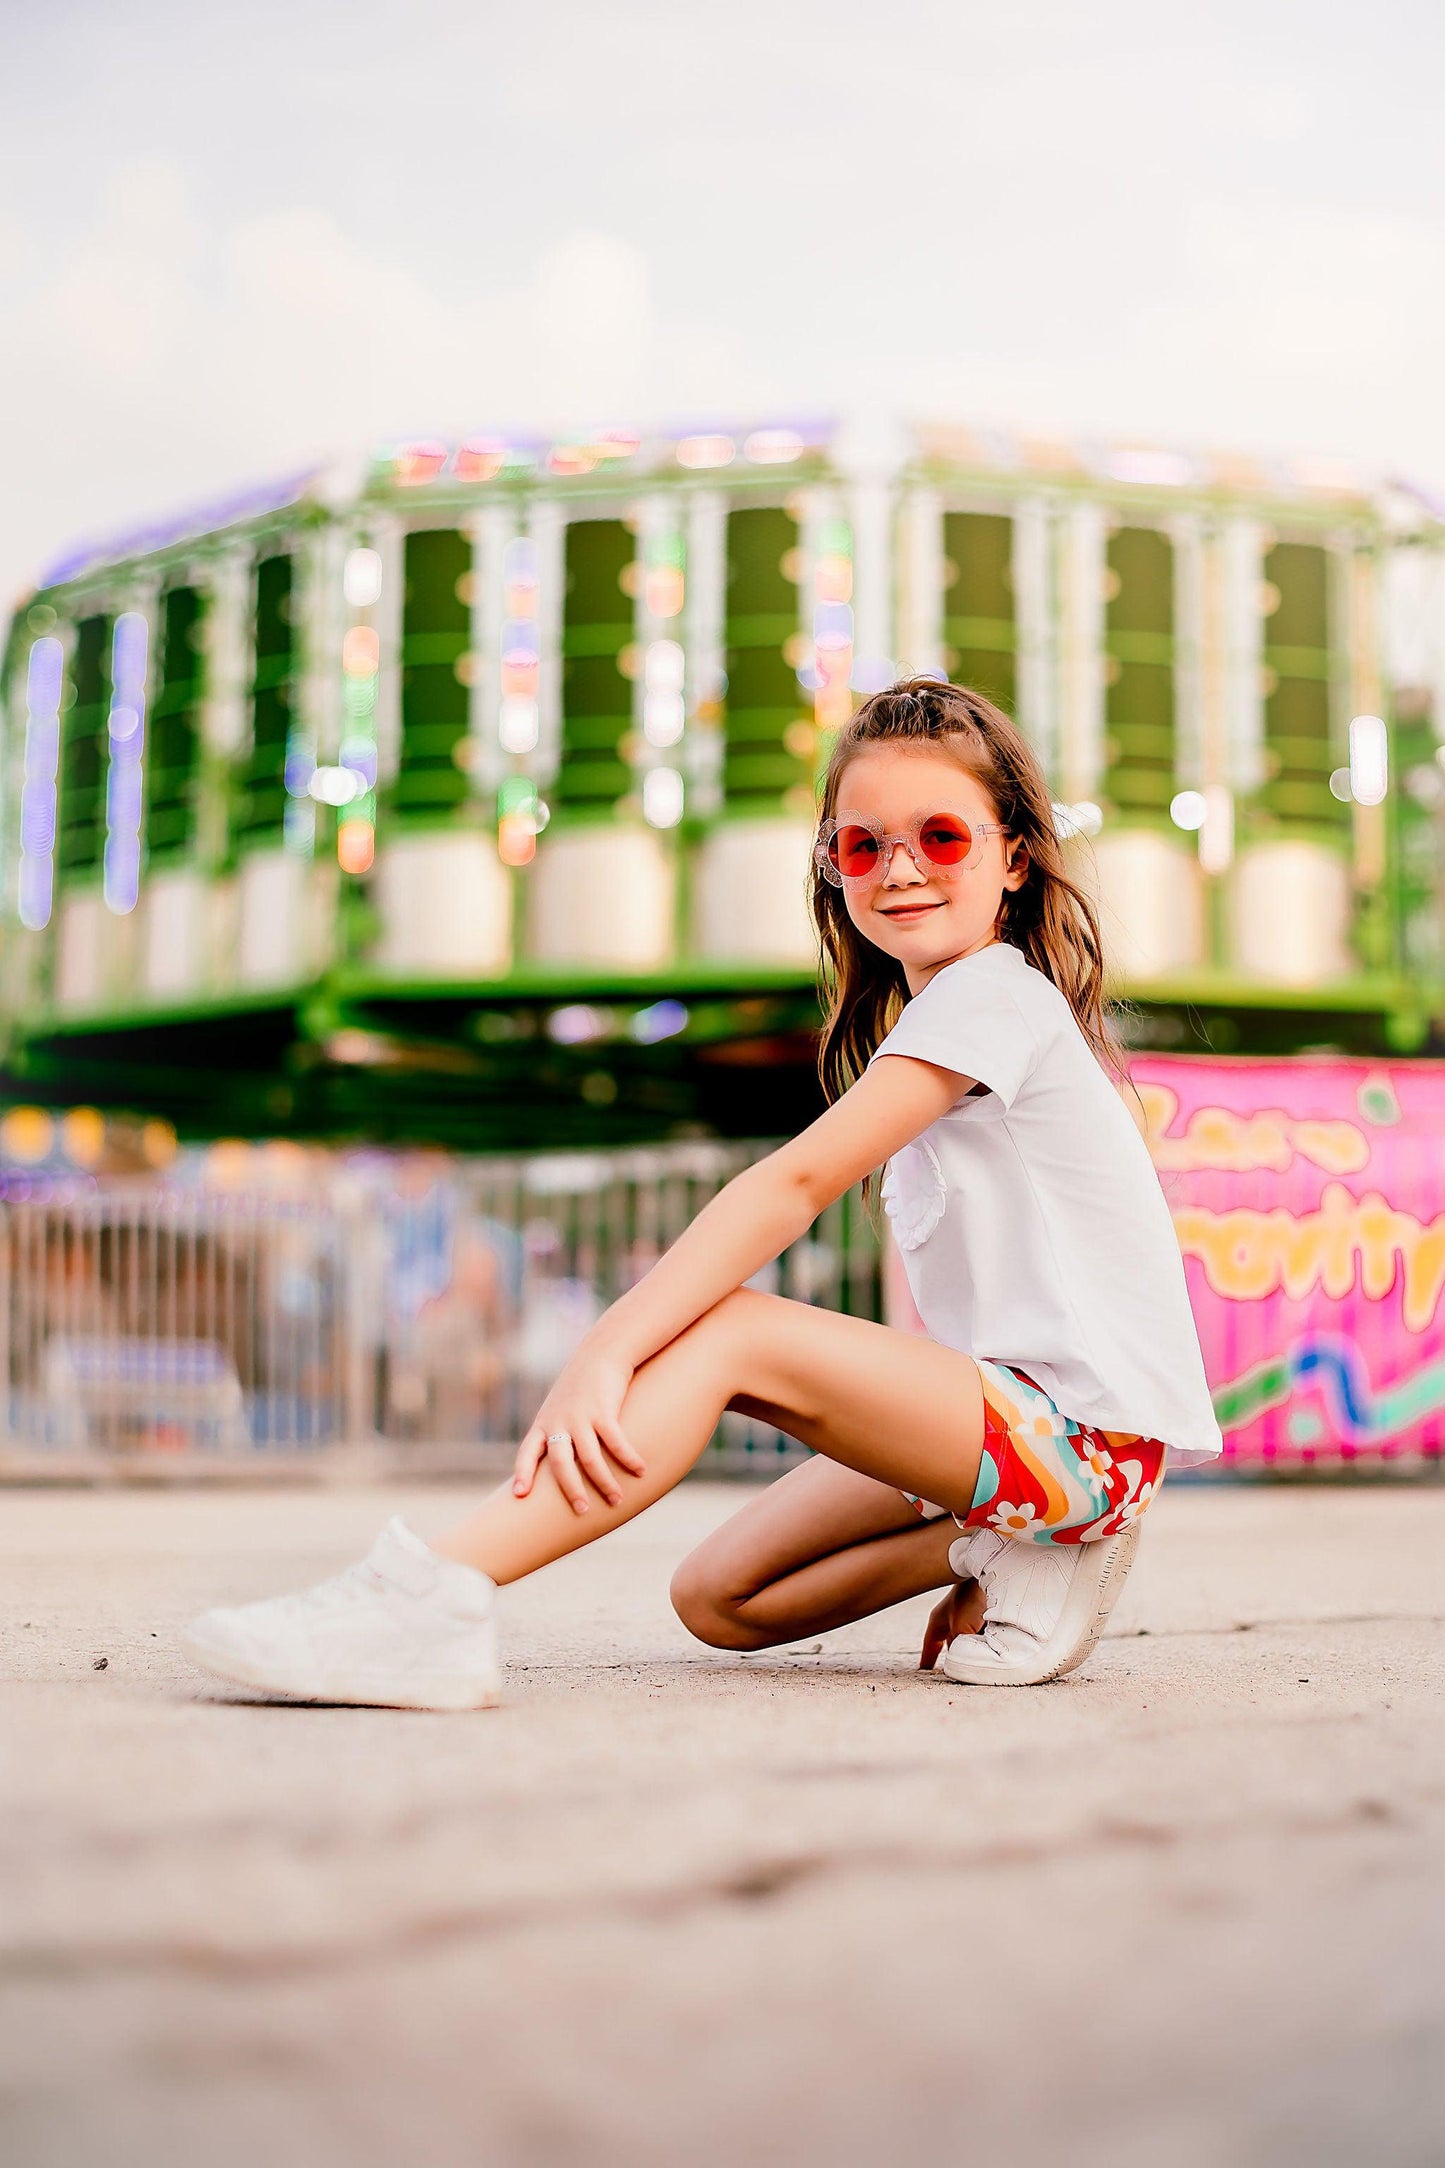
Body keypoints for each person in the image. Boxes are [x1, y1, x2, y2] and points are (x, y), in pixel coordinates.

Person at [183, 679, 1222, 1710]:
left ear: (1013, 858)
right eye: (861, 846)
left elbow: (794, 1180)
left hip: (1083, 1439)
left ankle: (429, 1591)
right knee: (718, 1597)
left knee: (729, 1330)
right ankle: (999, 1546)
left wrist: (606, 1348)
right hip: (1015, 1434)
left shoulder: (993, 992)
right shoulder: (941, 1014)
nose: (897, 869)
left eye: (939, 837)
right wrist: (970, 1555)